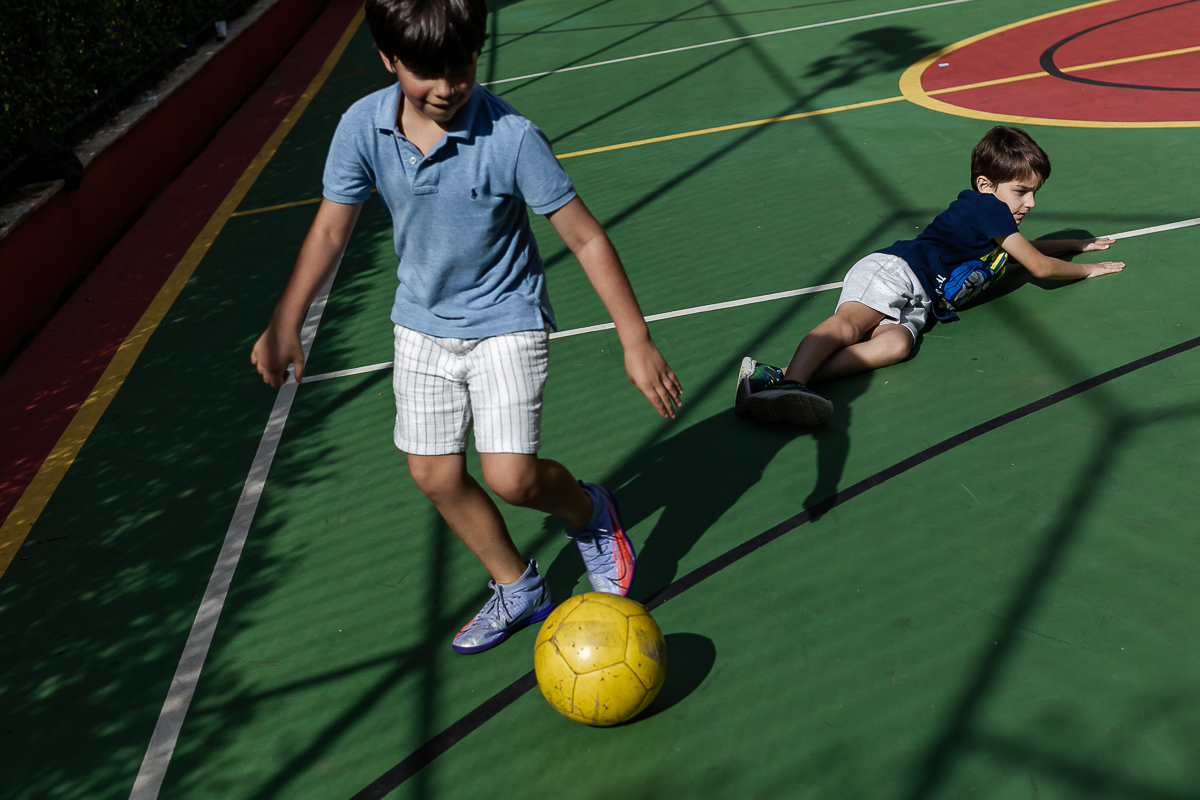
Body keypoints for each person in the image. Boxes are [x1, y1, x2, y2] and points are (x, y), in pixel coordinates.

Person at [250, 0, 682, 654]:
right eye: (427, 71)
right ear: (388, 59)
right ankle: (518, 585)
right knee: (434, 475)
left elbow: (585, 237)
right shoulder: (362, 128)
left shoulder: (511, 138)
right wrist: (287, 320)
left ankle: (589, 513)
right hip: (421, 323)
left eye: (462, 67)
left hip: (507, 318)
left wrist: (635, 338)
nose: (448, 87)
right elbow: (332, 228)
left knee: (511, 478)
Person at [736, 126, 1124, 425]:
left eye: (1035, 192)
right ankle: (792, 386)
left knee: (895, 347)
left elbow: (1025, 251)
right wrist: (1088, 269)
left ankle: (772, 379)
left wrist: (1073, 243)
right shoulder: (987, 207)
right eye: (1022, 191)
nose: (1031, 202)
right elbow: (1038, 266)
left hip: (920, 302)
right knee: (850, 325)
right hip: (898, 271)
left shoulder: (993, 221)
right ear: (986, 185)